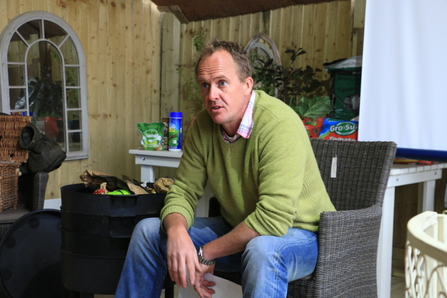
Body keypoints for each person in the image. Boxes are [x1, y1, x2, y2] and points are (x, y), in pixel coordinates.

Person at [115, 38, 336, 298]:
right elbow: (184, 190)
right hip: (240, 229)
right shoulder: (203, 126)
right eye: (205, 85)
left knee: (262, 249)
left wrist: (205, 253)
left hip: (301, 237)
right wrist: (176, 231)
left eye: (222, 83)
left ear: (247, 85)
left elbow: (273, 218)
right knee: (149, 232)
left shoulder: (279, 124)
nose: (212, 95)